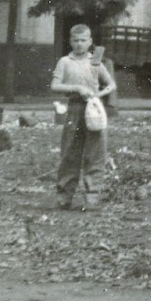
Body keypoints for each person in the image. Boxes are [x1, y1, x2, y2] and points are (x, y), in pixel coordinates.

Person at [50, 23, 115, 210]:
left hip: (94, 110)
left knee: (95, 153)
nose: (79, 44)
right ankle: (64, 197)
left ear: (90, 42)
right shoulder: (65, 62)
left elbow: (111, 84)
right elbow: (55, 86)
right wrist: (77, 88)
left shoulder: (95, 61)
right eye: (76, 40)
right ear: (70, 41)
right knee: (70, 152)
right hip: (75, 108)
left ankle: (92, 198)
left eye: (83, 40)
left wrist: (98, 95)